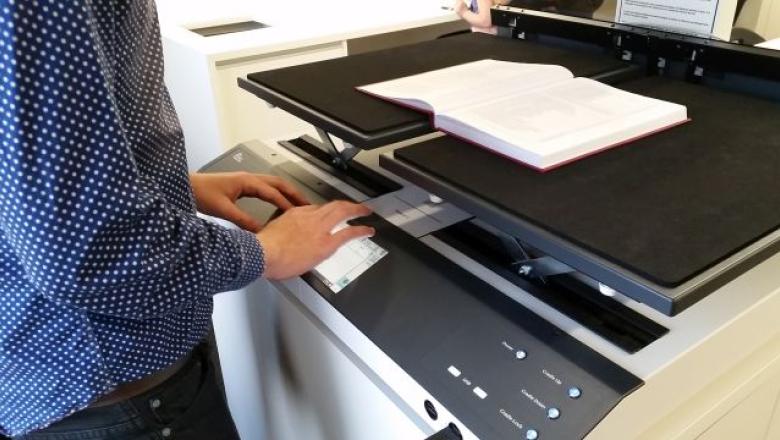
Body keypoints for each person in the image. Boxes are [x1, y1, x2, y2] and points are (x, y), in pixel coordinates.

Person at [0, 1, 373, 439]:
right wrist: (264, 252)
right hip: (110, 397)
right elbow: (84, 253)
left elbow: (33, 163)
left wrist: (176, 184)